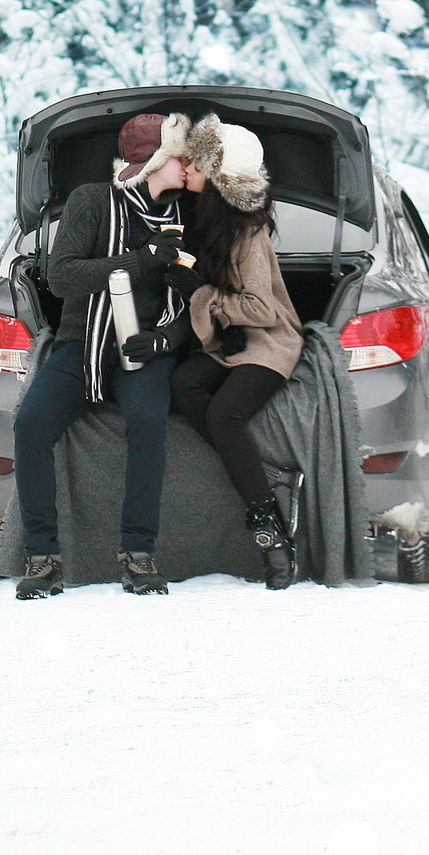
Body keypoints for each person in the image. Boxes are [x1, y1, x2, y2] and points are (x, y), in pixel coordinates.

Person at [12, 110, 199, 599]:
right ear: (155, 159)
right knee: (30, 423)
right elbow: (63, 276)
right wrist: (142, 261)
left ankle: (138, 555)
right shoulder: (92, 201)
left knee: (148, 422)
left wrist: (164, 341)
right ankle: (42, 557)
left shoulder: (187, 216)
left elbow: (197, 302)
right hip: (83, 342)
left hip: (145, 348)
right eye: (180, 155)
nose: (188, 165)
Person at [164, 116, 304, 590]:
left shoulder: (247, 234)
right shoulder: (202, 219)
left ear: (220, 176)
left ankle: (271, 533)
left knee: (225, 416)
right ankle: (258, 473)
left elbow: (262, 309)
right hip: (229, 340)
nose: (186, 167)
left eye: (196, 162)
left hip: (268, 340)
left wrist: (202, 296)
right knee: (183, 384)